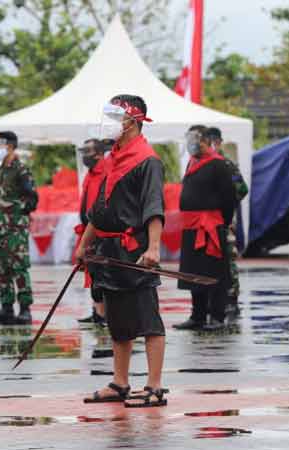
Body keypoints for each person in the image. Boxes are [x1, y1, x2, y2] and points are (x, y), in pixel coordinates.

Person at [76, 94, 168, 407]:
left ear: (132, 120)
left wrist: (154, 246)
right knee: (117, 320)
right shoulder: (112, 158)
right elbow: (98, 209)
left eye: (114, 117)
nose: (108, 123)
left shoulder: (147, 160)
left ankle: (154, 387)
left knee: (147, 319)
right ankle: (120, 382)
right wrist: (84, 243)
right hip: (108, 248)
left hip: (135, 249)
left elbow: (154, 207)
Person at [173, 126, 234, 331]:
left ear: (206, 140)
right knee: (194, 272)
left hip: (210, 226)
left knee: (214, 272)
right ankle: (197, 315)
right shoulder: (192, 162)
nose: (192, 142)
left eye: (196, 138)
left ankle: (217, 316)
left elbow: (229, 198)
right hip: (191, 226)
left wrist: (221, 223)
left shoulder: (219, 164)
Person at [0, 131, 38, 325]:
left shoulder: (21, 169)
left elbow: (33, 198)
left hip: (15, 227)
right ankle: (6, 308)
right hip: (1, 226)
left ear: (9, 146)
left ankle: (25, 310)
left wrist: (17, 211)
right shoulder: (2, 169)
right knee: (0, 266)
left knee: (18, 266)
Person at [206, 126, 249, 316]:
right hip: (206, 223)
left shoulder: (226, 164)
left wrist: (226, 207)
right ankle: (213, 300)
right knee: (210, 261)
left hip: (225, 221)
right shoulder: (203, 163)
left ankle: (231, 299)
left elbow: (241, 189)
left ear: (218, 142)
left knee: (228, 261)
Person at [75, 138, 111, 327]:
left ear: (98, 153)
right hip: (88, 230)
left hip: (100, 231)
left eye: (87, 152)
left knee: (101, 275)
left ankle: (105, 314)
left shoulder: (106, 171)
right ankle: (97, 312)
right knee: (93, 274)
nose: (84, 156)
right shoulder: (90, 173)